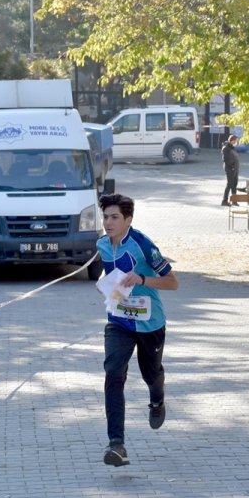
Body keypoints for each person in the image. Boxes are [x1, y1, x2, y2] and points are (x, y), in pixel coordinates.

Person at [96, 193, 179, 467]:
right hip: (118, 319)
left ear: (128, 219)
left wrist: (142, 278)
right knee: (113, 374)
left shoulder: (142, 244)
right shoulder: (102, 245)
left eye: (114, 217)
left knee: (151, 374)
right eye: (105, 216)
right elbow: (110, 273)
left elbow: (172, 282)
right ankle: (116, 445)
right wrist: (108, 285)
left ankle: (157, 399)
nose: (108, 222)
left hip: (149, 322)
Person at [221, 134, 240, 206]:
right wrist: (232, 167)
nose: (236, 142)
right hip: (230, 169)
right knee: (229, 184)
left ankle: (234, 200)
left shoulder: (231, 147)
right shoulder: (226, 148)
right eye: (236, 141)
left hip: (235, 169)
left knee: (234, 184)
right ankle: (224, 200)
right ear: (232, 140)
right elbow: (225, 159)